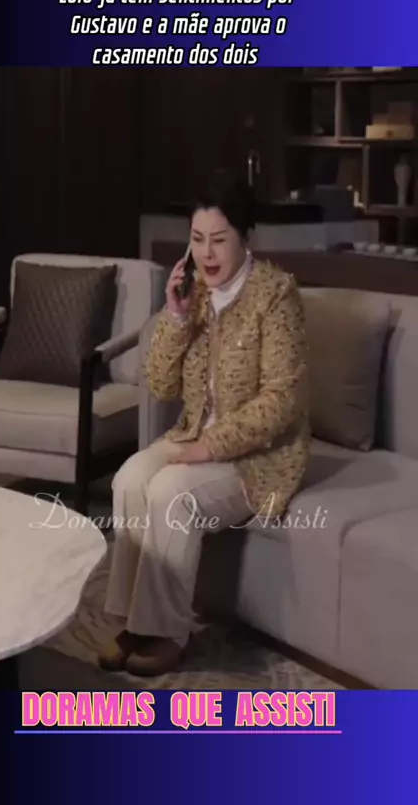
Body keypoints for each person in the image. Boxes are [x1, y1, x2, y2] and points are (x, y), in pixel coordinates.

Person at [99, 171, 310, 677]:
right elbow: (159, 384)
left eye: (219, 240)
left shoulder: (276, 294)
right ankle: (132, 621)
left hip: (259, 455)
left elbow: (283, 400)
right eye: (197, 240)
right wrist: (174, 318)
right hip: (192, 438)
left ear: (246, 236)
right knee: (129, 477)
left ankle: (166, 632)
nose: (206, 254)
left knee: (171, 492)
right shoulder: (193, 295)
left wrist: (210, 447)